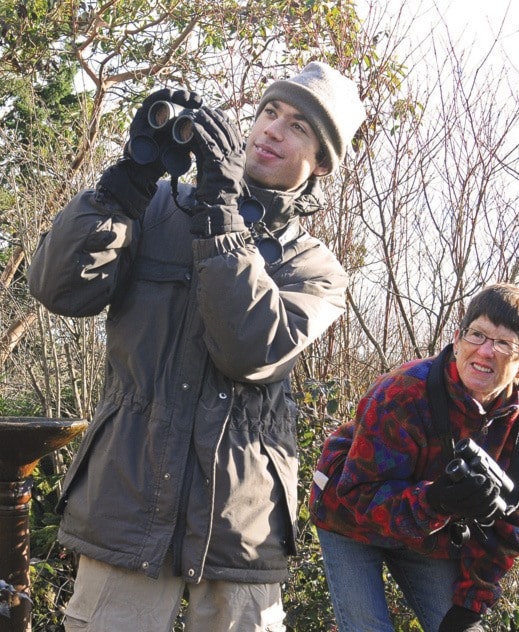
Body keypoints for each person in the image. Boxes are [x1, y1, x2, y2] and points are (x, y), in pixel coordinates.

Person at [27, 61, 366, 632]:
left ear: (322, 164)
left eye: (299, 127)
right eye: (269, 113)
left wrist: (222, 218)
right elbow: (59, 288)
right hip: (126, 505)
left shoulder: (316, 268)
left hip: (241, 532)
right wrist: (124, 186)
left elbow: (250, 350)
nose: (273, 130)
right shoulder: (159, 209)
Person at [309, 283, 519, 632]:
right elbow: (357, 493)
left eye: (503, 343)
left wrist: (472, 602)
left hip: (428, 533)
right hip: (349, 520)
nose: (484, 352)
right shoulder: (403, 392)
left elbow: (512, 522)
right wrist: (435, 500)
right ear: (457, 339)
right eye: (477, 335)